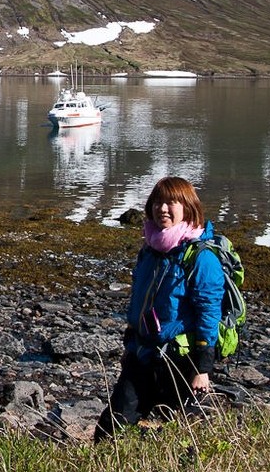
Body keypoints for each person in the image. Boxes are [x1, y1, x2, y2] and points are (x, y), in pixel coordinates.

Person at [95, 176, 225, 441]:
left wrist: (202, 369)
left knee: (180, 435)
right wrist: (130, 343)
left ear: (187, 207)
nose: (162, 208)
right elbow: (139, 300)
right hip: (142, 353)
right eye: (157, 201)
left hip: (179, 360)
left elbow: (209, 313)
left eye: (170, 202)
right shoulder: (150, 249)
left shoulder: (201, 258)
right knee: (111, 428)